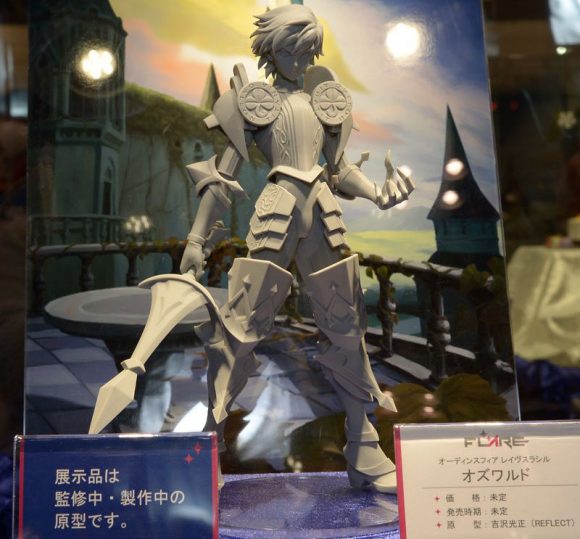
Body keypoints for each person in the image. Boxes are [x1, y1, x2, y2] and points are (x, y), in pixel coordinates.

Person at [180, 4, 413, 493]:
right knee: (240, 330)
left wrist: (378, 193)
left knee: (346, 328)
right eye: (292, 51)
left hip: (324, 215)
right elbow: (220, 178)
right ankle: (207, 447)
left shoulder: (324, 103)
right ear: (271, 50)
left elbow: (339, 170)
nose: (301, 61)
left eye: (308, 52)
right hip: (277, 213)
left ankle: (363, 444)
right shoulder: (254, 104)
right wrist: (196, 240)